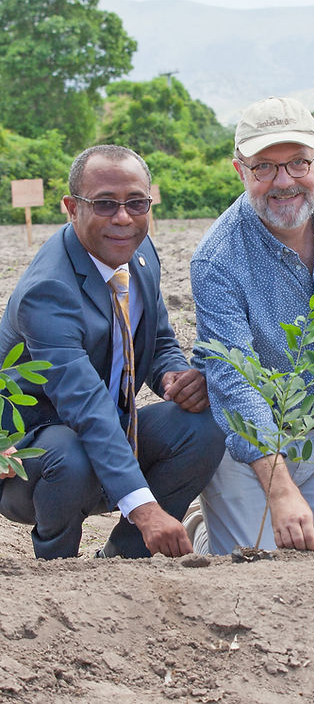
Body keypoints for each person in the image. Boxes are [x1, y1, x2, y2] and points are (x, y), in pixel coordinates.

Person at [0, 145, 224, 559]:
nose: (123, 218)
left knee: (203, 426)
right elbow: (83, 405)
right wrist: (145, 508)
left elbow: (157, 341)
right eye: (104, 204)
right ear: (71, 207)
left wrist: (171, 374)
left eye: (136, 203)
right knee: (69, 454)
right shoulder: (47, 291)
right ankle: (57, 567)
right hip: (29, 459)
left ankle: (125, 561)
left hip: (108, 430)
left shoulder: (138, 252)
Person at [190, 96, 314, 554]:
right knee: (258, 568)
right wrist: (279, 488)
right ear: (240, 171)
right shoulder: (216, 261)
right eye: (264, 168)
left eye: (297, 163)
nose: (284, 182)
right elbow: (233, 381)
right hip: (248, 446)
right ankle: (204, 533)